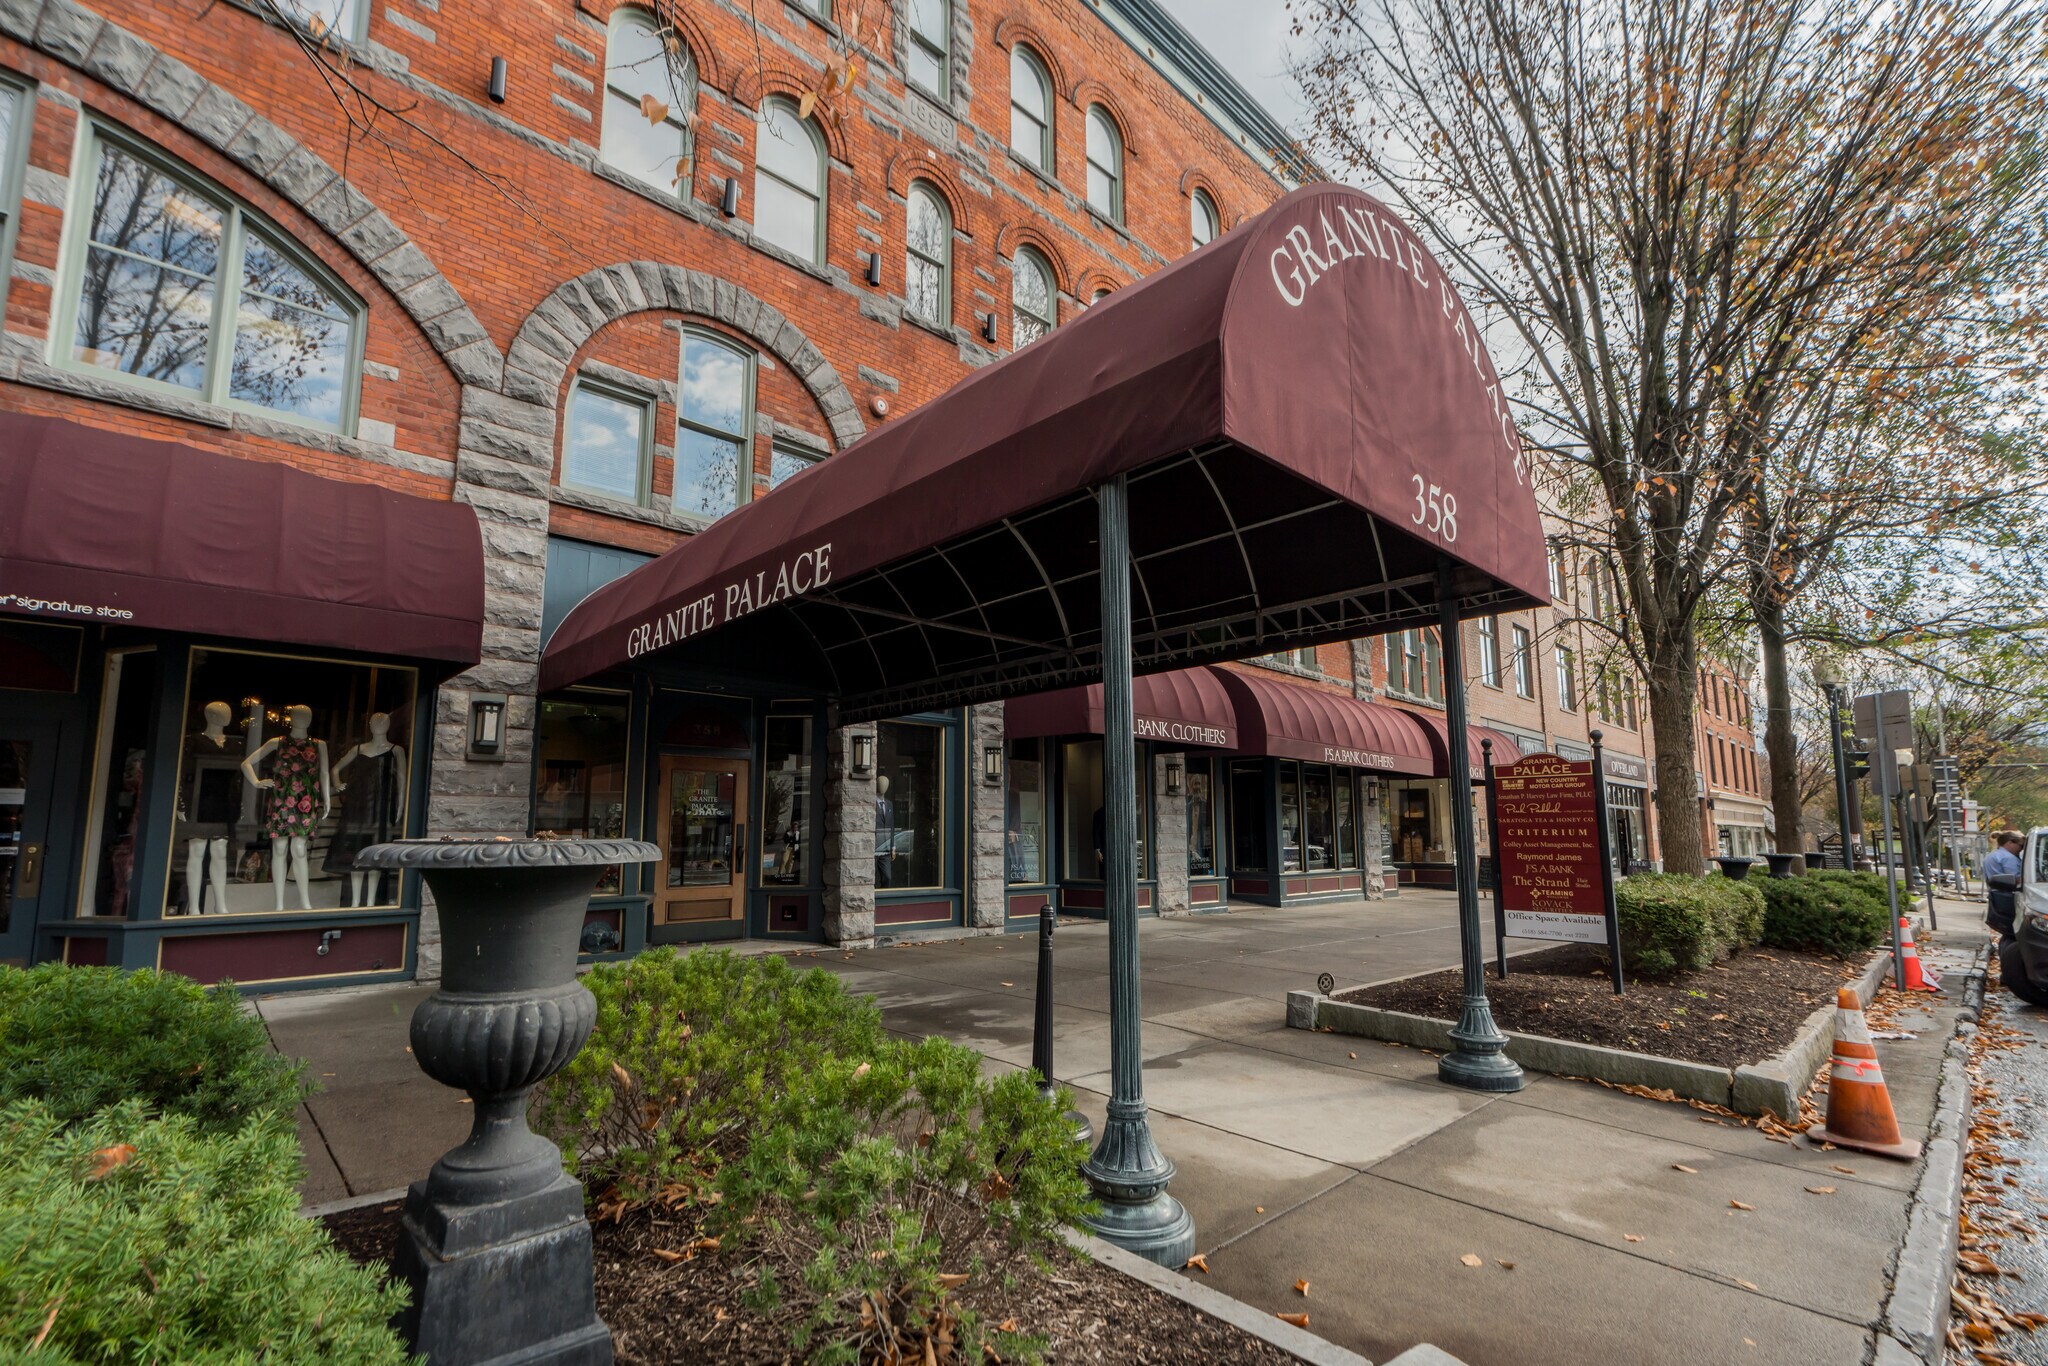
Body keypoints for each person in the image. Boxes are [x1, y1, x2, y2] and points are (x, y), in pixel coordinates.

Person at [1986, 832, 2025, 940]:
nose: (2021, 849)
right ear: (2010, 843)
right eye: (2020, 846)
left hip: (1997, 894)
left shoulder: (1993, 855)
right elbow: (2017, 879)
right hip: (2009, 896)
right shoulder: (2009, 858)